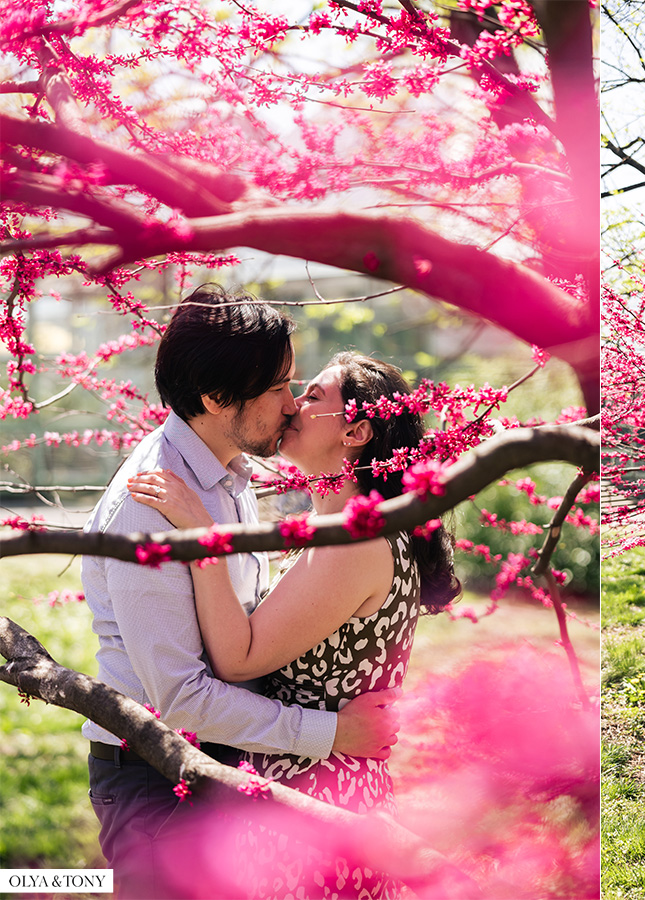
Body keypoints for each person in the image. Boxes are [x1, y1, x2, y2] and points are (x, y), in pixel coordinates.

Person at [82, 287, 403, 900]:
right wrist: (331, 733)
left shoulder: (228, 474)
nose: (291, 405)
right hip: (160, 782)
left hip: (229, 763)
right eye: (279, 387)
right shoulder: (148, 509)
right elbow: (178, 699)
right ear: (216, 398)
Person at [128, 351, 461, 898]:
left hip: (318, 806)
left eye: (313, 396)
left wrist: (199, 535)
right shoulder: (335, 528)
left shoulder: (352, 542)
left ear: (354, 431)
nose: (292, 405)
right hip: (314, 791)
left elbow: (239, 657)